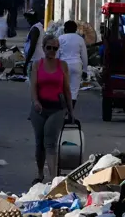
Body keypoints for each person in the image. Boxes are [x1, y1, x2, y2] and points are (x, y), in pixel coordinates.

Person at [28, 33, 74, 183]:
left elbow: (67, 89)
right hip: (39, 108)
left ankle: (53, 177)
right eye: (49, 48)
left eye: (55, 48)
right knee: (39, 142)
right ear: (43, 48)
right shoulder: (37, 65)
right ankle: (40, 173)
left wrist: (70, 110)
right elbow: (33, 86)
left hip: (57, 108)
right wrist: (35, 101)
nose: (52, 51)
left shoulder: (63, 66)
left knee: (50, 141)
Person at [58, 20, 88, 100]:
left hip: (63, 66)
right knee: (74, 91)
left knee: (63, 89)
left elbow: (57, 54)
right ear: (75, 29)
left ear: (65, 29)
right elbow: (84, 56)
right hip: (76, 66)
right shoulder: (80, 39)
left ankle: (64, 109)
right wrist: (85, 70)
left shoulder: (60, 38)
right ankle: (70, 110)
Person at [23, 10, 45, 76]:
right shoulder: (38, 26)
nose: (27, 21)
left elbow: (32, 47)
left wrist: (26, 63)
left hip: (35, 59)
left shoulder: (35, 29)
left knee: (34, 82)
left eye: (28, 18)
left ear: (32, 18)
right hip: (37, 59)